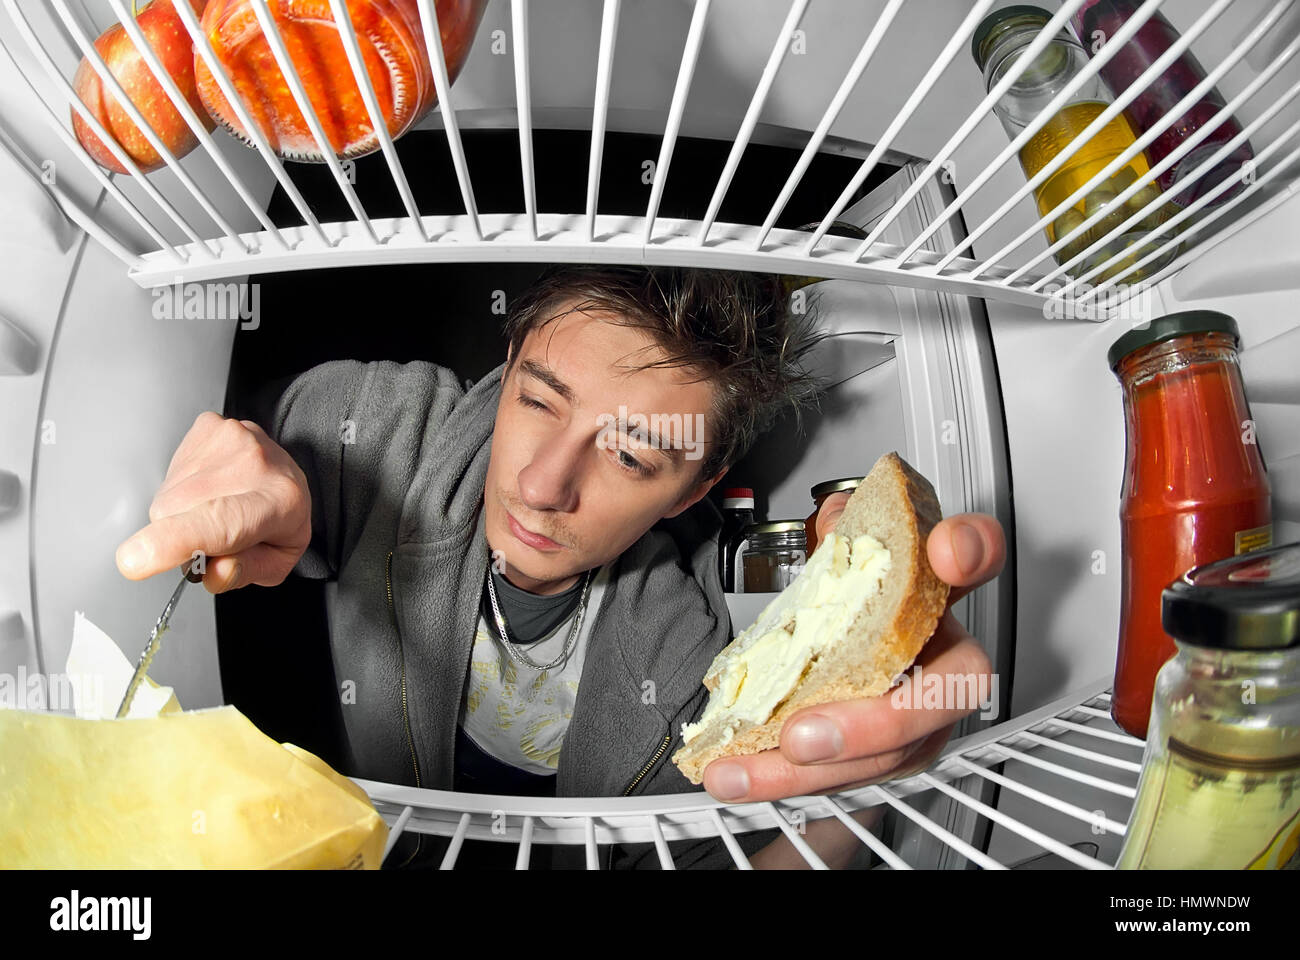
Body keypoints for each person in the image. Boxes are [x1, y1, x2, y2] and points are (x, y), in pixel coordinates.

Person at [115, 265, 1002, 869]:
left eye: (631, 456)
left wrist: (859, 788)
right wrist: (250, 462)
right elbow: (274, 437)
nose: (541, 486)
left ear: (694, 492)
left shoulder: (686, 660)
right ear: (505, 368)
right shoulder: (391, 431)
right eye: (538, 400)